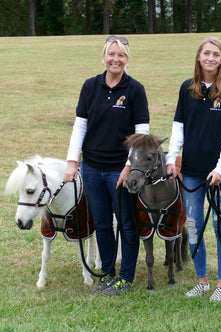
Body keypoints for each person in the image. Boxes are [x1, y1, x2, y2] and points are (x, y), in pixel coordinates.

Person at [64, 36, 150, 295]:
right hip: (91, 168)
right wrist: (72, 161)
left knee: (126, 223)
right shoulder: (90, 86)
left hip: (119, 170)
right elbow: (81, 125)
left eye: (121, 55)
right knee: (101, 223)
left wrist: (128, 166)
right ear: (104, 56)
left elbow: (142, 133)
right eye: (112, 54)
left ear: (127, 59)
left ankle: (126, 277)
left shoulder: (135, 89)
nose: (116, 59)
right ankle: (109, 274)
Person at [166, 36, 221, 302]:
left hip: (220, 174)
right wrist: (171, 159)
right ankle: (202, 280)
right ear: (199, 56)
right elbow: (178, 128)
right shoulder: (187, 88)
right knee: (194, 224)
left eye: (216, 54)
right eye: (207, 53)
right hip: (192, 171)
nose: (211, 58)